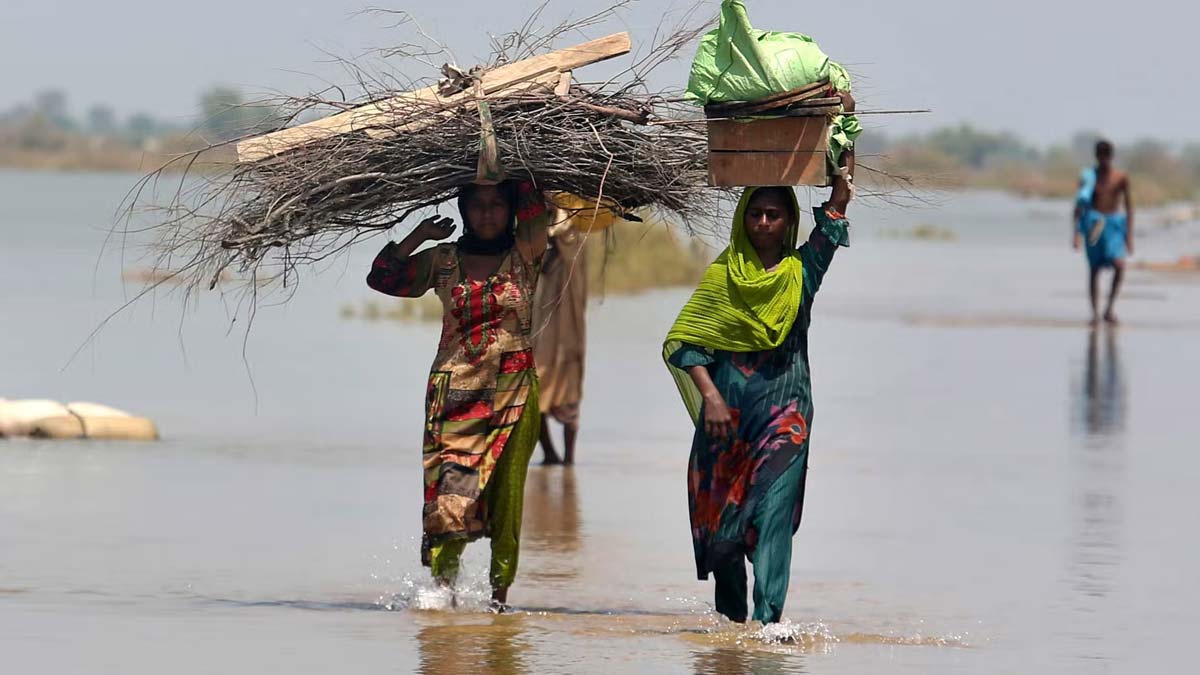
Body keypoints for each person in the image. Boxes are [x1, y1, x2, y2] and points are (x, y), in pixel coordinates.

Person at [661, 93, 855, 625]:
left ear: (788, 219)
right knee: (723, 542)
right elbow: (685, 343)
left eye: (775, 214)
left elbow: (837, 206)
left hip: (785, 417)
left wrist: (845, 135)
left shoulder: (802, 272)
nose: (765, 223)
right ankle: (731, 632)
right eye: (757, 213)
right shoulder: (723, 277)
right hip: (726, 423)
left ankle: (771, 626)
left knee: (771, 517)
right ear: (744, 219)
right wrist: (712, 398)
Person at [366, 178, 549, 612]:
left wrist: (499, 147)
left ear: (510, 210)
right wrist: (419, 236)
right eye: (478, 205)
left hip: (515, 391)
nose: (487, 213)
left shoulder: (527, 252)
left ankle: (499, 600)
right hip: (454, 394)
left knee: (507, 498)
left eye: (496, 204)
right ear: (464, 210)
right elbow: (382, 277)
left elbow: (531, 194)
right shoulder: (443, 260)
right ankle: (441, 594)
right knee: (450, 493)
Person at [531, 212, 588, 465]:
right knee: (534, 392)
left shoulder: (574, 245)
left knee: (569, 393)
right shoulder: (535, 249)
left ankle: (569, 461)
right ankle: (550, 455)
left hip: (568, 333)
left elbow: (565, 233)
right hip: (540, 334)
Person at [1074, 140, 1134, 324]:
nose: (1104, 159)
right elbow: (1079, 206)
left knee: (1119, 265)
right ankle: (1094, 313)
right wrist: (1076, 234)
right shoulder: (1089, 177)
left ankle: (1109, 308)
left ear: (1111, 156)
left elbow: (1129, 206)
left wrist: (1129, 235)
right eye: (1101, 155)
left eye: (1107, 155)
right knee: (1094, 269)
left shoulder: (1121, 177)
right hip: (1094, 225)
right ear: (1097, 156)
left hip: (1115, 225)